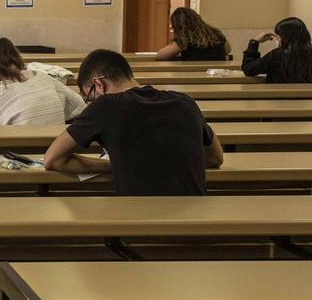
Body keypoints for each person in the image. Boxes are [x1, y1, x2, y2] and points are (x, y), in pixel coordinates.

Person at [44, 49, 223, 195]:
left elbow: (53, 159)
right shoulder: (184, 101)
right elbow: (215, 157)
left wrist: (111, 165)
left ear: (99, 84)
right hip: (193, 224)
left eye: (90, 97)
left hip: (141, 227)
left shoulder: (105, 106)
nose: (92, 103)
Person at [0, 38, 85, 125]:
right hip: (57, 145)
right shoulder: (42, 77)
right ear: (17, 58)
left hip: (19, 148)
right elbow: (79, 104)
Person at [242, 17, 312, 83]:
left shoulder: (276, 55)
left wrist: (254, 42)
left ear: (285, 38)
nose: (276, 39)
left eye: (278, 37)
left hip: (278, 95)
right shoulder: (309, 53)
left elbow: (249, 69)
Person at [156, 8, 231, 61]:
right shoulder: (215, 33)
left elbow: (160, 56)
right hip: (217, 79)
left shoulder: (184, 39)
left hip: (193, 80)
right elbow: (228, 49)